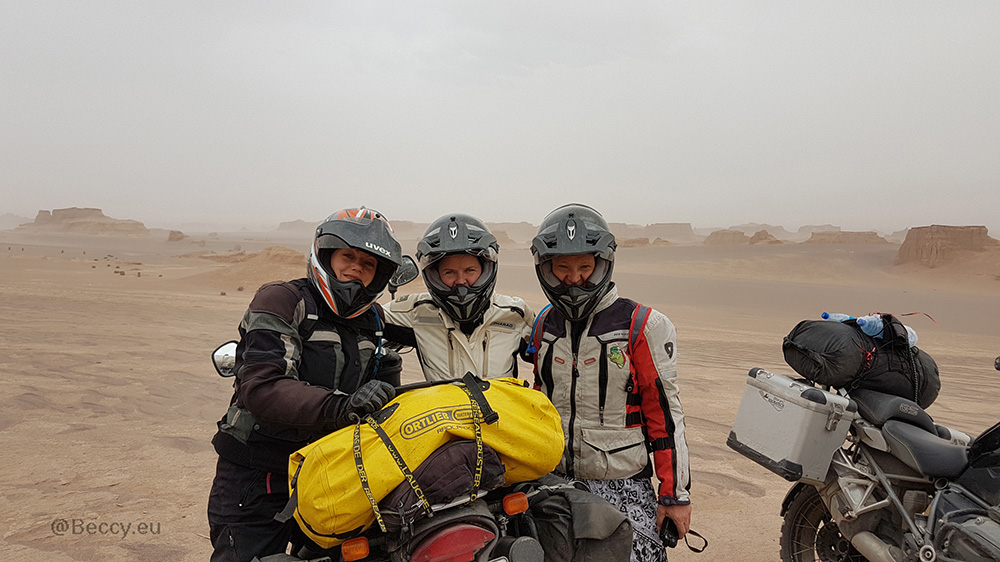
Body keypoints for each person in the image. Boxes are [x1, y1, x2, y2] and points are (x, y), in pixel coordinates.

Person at [207, 207, 404, 562]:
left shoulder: (374, 321)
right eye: (348, 256)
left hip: (331, 469)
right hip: (259, 472)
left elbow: (381, 398)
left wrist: (387, 376)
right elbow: (263, 387)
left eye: (368, 264)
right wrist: (343, 406)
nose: (356, 268)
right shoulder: (284, 300)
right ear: (326, 255)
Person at [529, 203, 692, 562]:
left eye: (585, 267)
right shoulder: (544, 324)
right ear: (547, 269)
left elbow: (665, 415)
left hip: (622, 488)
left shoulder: (641, 324)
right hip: (554, 485)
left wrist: (674, 496)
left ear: (602, 263)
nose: (575, 278)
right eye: (563, 268)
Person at [382, 213, 535, 381]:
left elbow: (549, 363)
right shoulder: (416, 312)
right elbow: (366, 315)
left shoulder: (516, 314)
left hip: (501, 407)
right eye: (449, 272)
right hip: (440, 407)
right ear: (435, 275)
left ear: (486, 270)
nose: (461, 281)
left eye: (470, 270)